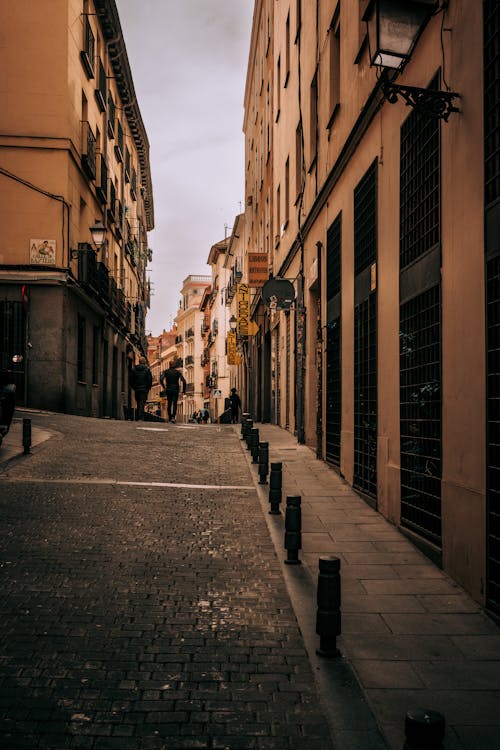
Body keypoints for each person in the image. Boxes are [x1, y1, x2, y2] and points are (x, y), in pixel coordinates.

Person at [130, 356, 152, 421]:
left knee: (138, 402)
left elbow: (131, 379)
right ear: (144, 362)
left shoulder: (134, 369)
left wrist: (134, 387)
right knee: (142, 402)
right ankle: (140, 417)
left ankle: (138, 416)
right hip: (144, 389)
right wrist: (148, 388)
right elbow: (149, 380)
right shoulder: (147, 370)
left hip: (137, 389)